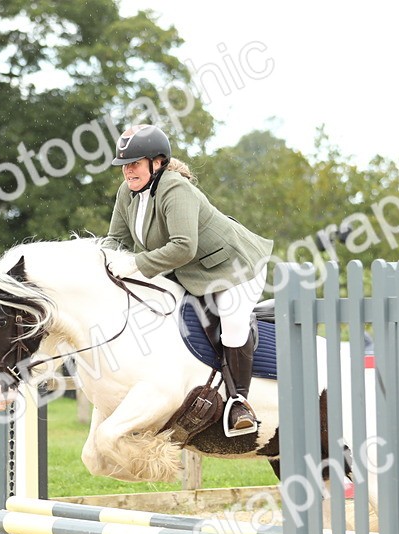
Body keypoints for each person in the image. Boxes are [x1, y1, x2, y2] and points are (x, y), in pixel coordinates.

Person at [100, 123, 273, 436]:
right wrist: (99, 264)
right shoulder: (127, 193)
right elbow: (116, 240)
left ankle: (239, 403)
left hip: (235, 266)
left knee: (232, 319)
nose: (128, 171)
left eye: (135, 163)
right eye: (125, 165)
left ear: (157, 162)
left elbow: (183, 246)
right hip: (189, 271)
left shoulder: (175, 190)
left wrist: (136, 264)